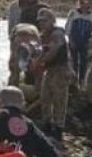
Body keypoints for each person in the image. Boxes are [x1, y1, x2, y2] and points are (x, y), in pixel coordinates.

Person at [30, 8, 71, 138]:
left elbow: (53, 52)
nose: (42, 24)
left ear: (52, 21)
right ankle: (47, 123)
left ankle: (59, 127)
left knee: (59, 99)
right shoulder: (43, 35)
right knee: (45, 96)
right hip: (50, 69)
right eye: (40, 21)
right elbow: (40, 51)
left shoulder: (57, 34)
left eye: (45, 21)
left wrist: (39, 62)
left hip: (60, 69)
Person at [65, 0, 92, 85]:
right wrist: (70, 39)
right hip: (74, 40)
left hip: (85, 42)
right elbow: (68, 27)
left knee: (84, 62)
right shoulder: (73, 13)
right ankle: (73, 81)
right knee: (74, 61)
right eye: (83, 2)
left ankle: (82, 81)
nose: (86, 5)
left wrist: (91, 42)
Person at [7, 22, 41, 88]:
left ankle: (12, 86)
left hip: (19, 37)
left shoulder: (17, 32)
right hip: (31, 36)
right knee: (35, 65)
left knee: (14, 68)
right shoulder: (35, 33)